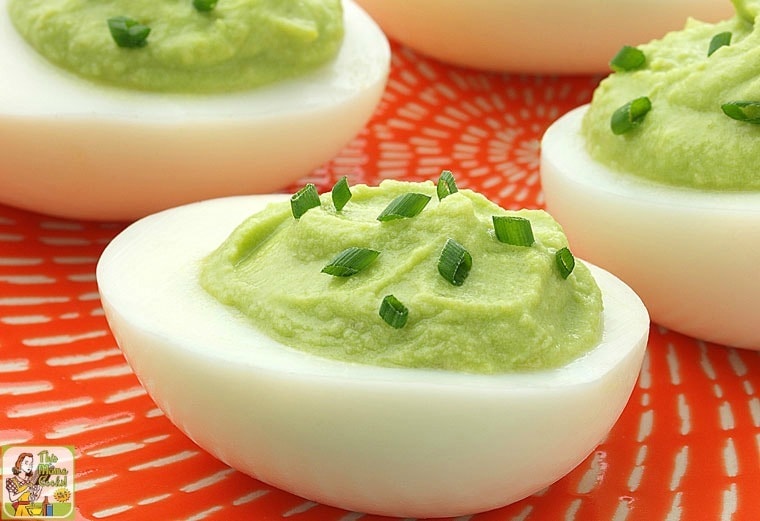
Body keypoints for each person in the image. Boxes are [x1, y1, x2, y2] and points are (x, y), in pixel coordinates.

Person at [5, 453, 41, 517]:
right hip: (20, 510)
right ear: (20, 463)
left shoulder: (30, 481)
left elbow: (33, 498)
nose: (29, 466)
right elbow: (12, 498)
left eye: (31, 464)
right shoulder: (12, 481)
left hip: (29, 509)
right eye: (26, 463)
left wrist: (40, 489)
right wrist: (24, 490)